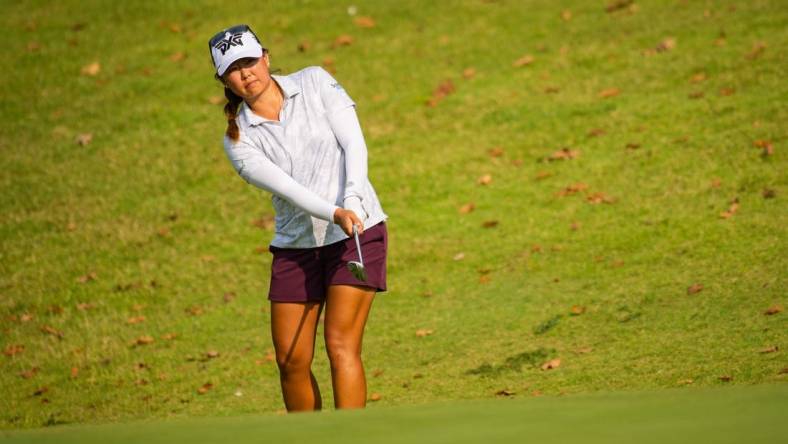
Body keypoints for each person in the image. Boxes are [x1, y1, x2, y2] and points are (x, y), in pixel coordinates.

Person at [208, 24, 389, 412]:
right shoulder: (239, 138)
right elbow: (289, 189)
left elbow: (353, 141)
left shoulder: (315, 81)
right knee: (291, 361)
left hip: (357, 232)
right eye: (233, 69)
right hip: (298, 248)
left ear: (266, 57)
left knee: (340, 346)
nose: (246, 73)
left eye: (250, 61)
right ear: (224, 80)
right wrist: (335, 211)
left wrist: (353, 198)